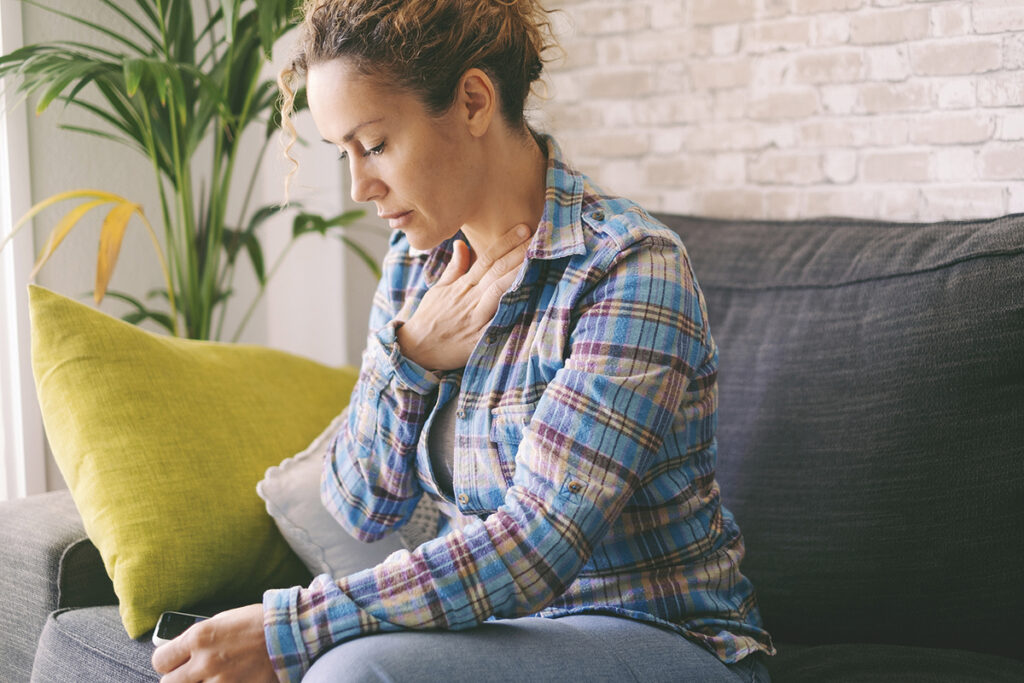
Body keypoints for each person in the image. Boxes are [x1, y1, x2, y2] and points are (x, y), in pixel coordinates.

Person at [152, 1, 775, 681]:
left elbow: (538, 544)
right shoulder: (416, 262)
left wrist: (290, 626)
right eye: (343, 154)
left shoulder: (629, 269)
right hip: (500, 636)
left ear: (474, 101)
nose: (359, 187)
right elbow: (363, 507)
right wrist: (410, 355)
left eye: (377, 145)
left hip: (662, 636)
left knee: (350, 670)